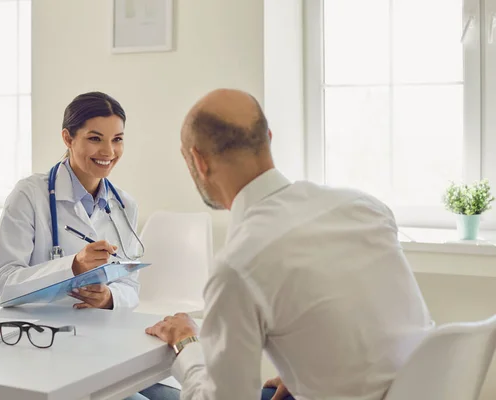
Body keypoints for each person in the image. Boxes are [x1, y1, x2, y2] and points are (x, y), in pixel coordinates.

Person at [145, 89, 434, 400]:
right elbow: (379, 327)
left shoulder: (239, 263)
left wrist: (188, 345)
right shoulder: (364, 207)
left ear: (198, 161)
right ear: (268, 138)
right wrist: (309, 372)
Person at [0, 91, 179, 400]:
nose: (108, 150)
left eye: (117, 139)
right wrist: (72, 266)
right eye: (95, 138)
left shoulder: (124, 204)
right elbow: (1, 286)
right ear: (68, 137)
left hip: (105, 343)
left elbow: (130, 287)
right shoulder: (30, 196)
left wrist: (107, 297)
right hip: (44, 346)